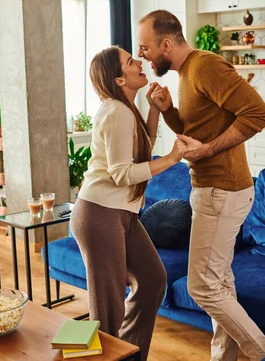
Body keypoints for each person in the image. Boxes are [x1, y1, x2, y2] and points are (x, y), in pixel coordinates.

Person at [137, 10, 265, 361]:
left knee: (201, 286)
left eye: (145, 47)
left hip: (222, 191)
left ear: (166, 43)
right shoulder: (187, 73)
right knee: (220, 282)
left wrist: (209, 149)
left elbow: (259, 114)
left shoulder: (207, 66)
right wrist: (169, 110)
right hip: (212, 189)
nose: (142, 55)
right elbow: (197, 128)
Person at [70, 46, 187, 361]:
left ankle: (127, 356)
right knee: (107, 310)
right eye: (130, 61)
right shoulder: (116, 112)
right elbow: (123, 174)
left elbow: (141, 149)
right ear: (119, 79)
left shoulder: (125, 108)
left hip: (122, 214)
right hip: (99, 215)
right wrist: (173, 159)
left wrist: (154, 109)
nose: (138, 63)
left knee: (152, 280)